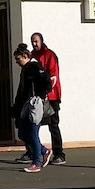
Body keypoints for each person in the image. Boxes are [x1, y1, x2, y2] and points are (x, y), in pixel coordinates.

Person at [10, 45, 51, 173]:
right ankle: (44, 151)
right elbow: (21, 89)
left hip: (34, 104)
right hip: (25, 104)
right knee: (23, 133)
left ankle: (37, 162)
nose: (16, 62)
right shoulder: (25, 68)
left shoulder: (34, 66)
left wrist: (41, 96)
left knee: (33, 132)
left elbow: (46, 81)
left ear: (26, 57)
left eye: (18, 59)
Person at [30, 32, 66, 165]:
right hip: (38, 96)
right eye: (32, 41)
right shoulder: (33, 56)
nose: (34, 44)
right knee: (32, 125)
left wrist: (46, 91)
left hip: (52, 96)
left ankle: (59, 154)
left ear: (41, 41)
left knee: (53, 125)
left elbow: (53, 76)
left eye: (36, 41)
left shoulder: (50, 55)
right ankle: (32, 152)